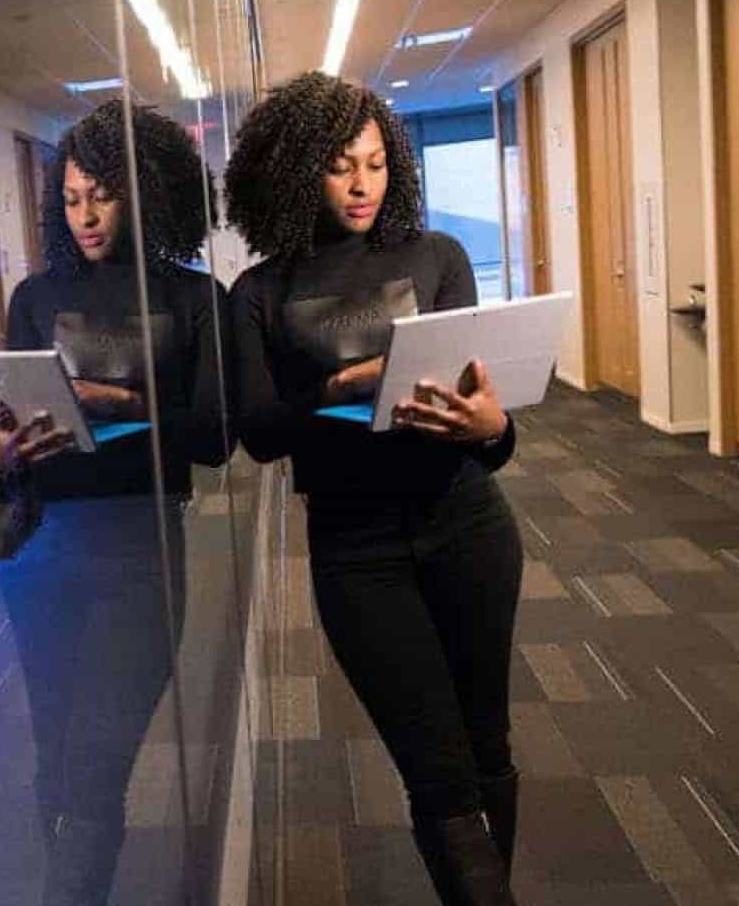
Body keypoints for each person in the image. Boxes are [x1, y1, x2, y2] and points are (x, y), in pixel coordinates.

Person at [222, 72, 524, 905]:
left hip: (468, 525)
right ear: (291, 172)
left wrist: (491, 426)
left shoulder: (438, 257)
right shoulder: (260, 292)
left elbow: (489, 437)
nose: (362, 185)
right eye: (340, 166)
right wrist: (338, 389)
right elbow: (257, 431)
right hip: (357, 551)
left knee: (486, 745)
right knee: (438, 772)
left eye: (377, 163)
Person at [0, 99, 228, 905]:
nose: (85, 216)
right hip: (44, 553)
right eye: (74, 198)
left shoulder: (193, 300)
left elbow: (216, 437)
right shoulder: (34, 298)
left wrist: (109, 399)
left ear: (144, 193)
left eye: (104, 196)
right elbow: (6, 451)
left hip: (141, 555)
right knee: (58, 758)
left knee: (95, 768)